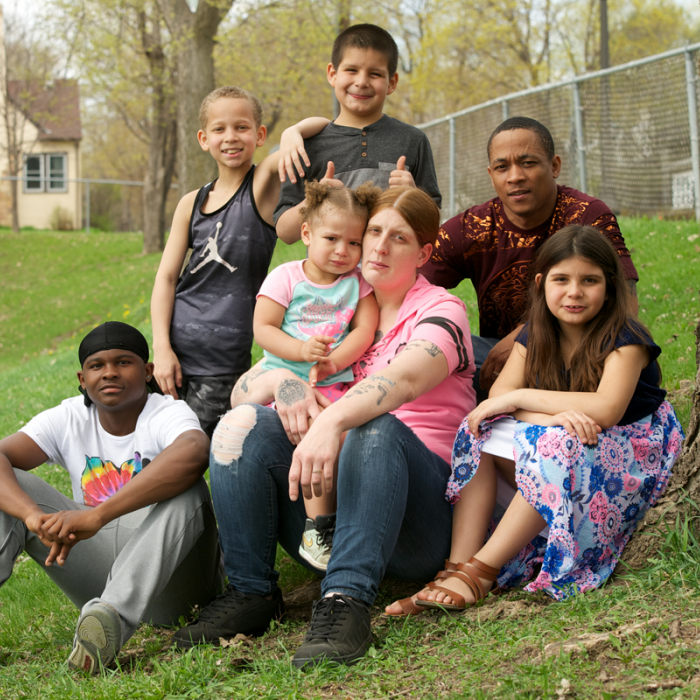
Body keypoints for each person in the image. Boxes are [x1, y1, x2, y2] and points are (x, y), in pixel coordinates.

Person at [172, 187, 476, 667]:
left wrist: (329, 421)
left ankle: (345, 601)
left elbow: (404, 379)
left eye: (397, 238)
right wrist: (283, 382)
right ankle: (252, 591)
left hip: (420, 517)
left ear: (423, 253)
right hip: (333, 510)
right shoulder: (341, 307)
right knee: (240, 425)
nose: (378, 246)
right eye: (373, 232)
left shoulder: (441, 312)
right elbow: (242, 390)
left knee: (373, 426)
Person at [395, 225, 683, 614]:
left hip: (633, 448)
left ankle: (483, 571)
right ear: (541, 283)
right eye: (561, 279)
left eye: (590, 281)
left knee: (553, 442)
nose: (574, 292)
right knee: (478, 429)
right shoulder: (537, 334)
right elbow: (498, 401)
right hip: (577, 439)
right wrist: (553, 415)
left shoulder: (625, 337)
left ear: (610, 286)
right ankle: (457, 565)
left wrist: (522, 400)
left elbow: (606, 409)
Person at [0, 322, 223, 674]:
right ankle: (101, 621)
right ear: (82, 378)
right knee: (12, 487)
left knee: (189, 490)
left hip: (173, 582)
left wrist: (97, 515)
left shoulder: (166, 412)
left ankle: (112, 621)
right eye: (97, 365)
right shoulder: (69, 417)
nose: (109, 373)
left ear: (148, 371)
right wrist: (29, 515)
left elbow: (195, 451)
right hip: (99, 575)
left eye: (123, 362)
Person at [151, 85, 329, 436]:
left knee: (198, 449)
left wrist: (292, 132)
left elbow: (324, 124)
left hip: (223, 363)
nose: (230, 137)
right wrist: (161, 348)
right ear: (204, 139)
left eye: (242, 127)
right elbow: (167, 279)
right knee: (158, 445)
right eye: (219, 129)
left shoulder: (261, 184)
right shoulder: (191, 202)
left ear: (260, 135)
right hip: (173, 355)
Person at [421, 116, 639, 400]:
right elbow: (410, 290)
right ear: (491, 174)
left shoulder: (587, 216)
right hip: (497, 361)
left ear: (555, 166)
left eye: (528, 163)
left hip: (579, 355)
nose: (514, 176)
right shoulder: (470, 228)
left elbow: (626, 306)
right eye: (502, 167)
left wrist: (527, 337)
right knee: (438, 349)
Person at [254, 181, 379, 570]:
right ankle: (318, 527)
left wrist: (334, 360)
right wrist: (300, 351)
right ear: (306, 234)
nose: (343, 251)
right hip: (288, 382)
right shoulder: (287, 278)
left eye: (354, 243)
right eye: (332, 239)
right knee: (316, 432)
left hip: (338, 382)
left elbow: (365, 328)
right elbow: (264, 327)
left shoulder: (357, 284)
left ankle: (348, 520)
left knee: (348, 435)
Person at [274, 23, 442, 245]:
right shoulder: (306, 146)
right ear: (332, 74)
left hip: (392, 277)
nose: (361, 82)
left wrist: (413, 196)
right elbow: (285, 233)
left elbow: (434, 223)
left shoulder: (413, 140)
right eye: (351, 70)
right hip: (331, 278)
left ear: (391, 82)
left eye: (375, 74)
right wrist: (315, 199)